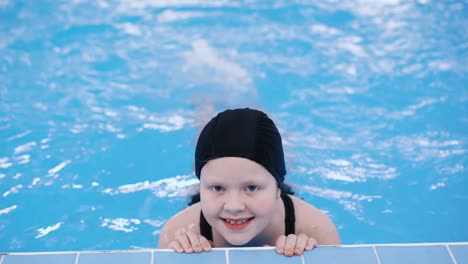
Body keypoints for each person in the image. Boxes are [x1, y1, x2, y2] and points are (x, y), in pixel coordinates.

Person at [158, 108, 341, 256]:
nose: (234, 206)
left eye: (251, 188)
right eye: (217, 188)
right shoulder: (177, 233)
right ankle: (204, 109)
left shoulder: (314, 231)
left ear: (278, 189)